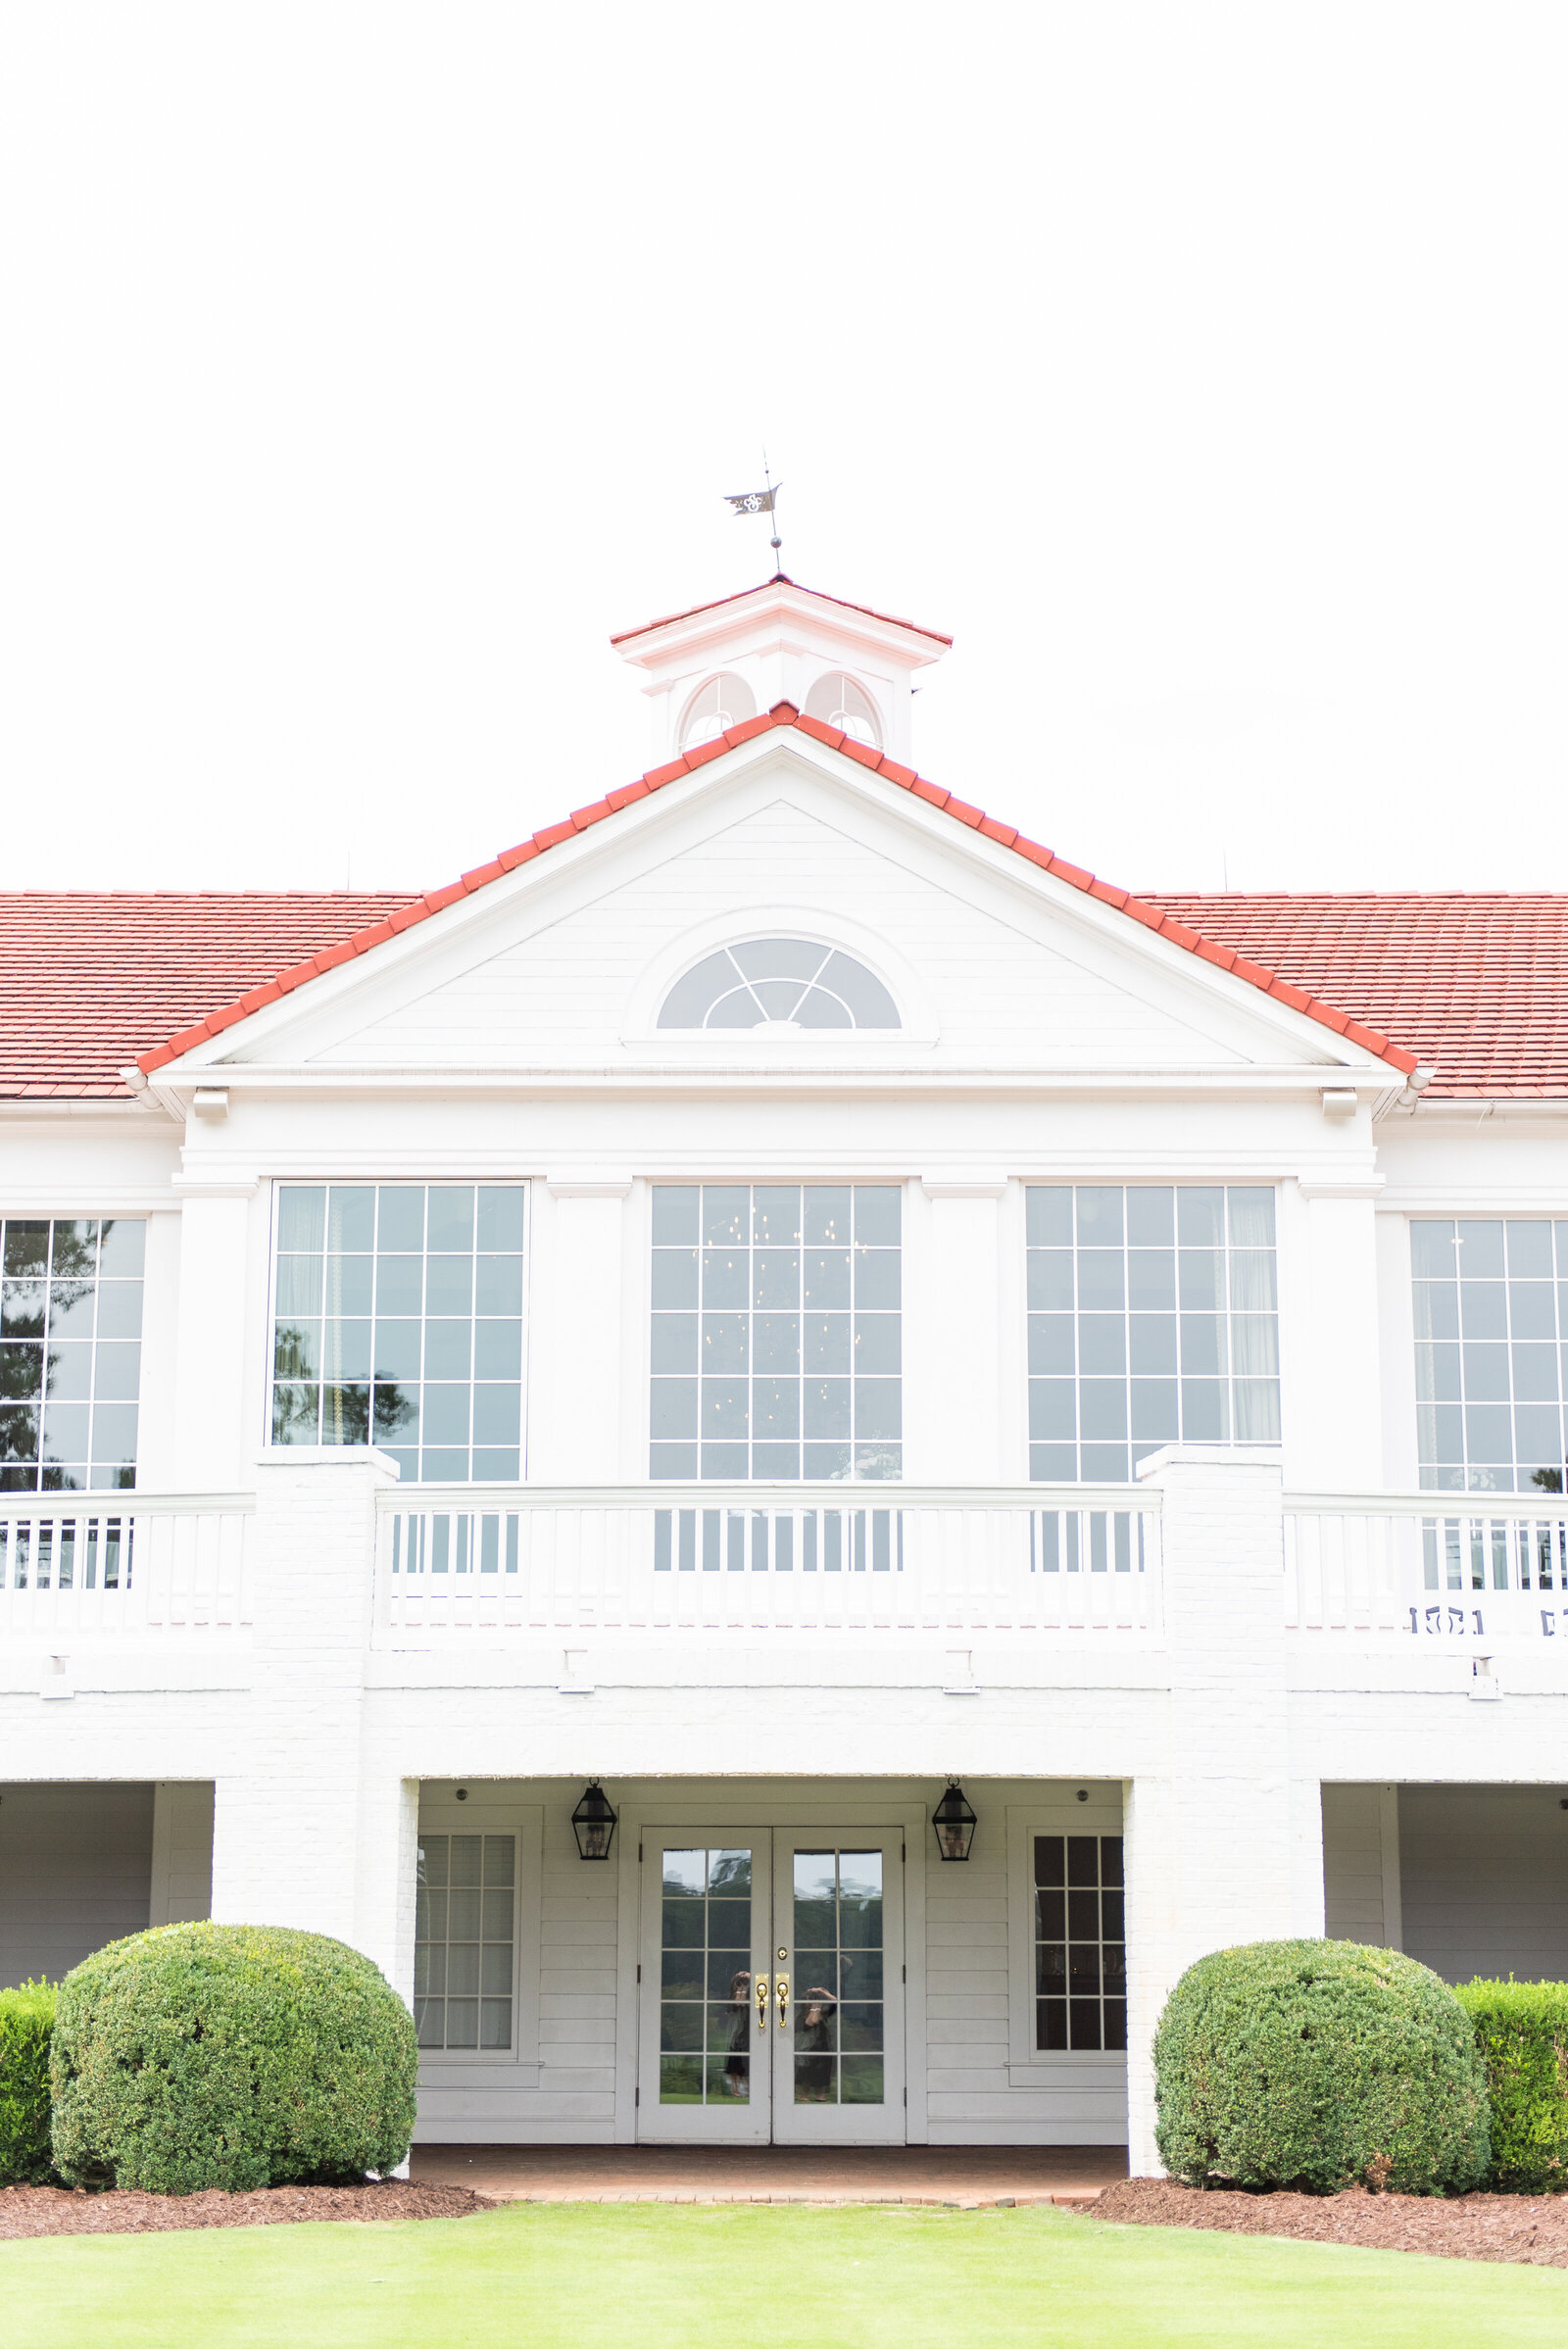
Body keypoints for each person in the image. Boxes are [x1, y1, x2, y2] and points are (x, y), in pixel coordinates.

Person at [722, 1970, 751, 2096]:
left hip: (748, 2029)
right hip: (736, 2033)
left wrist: (746, 1988)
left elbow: (744, 2003)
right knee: (734, 2059)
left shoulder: (753, 1997)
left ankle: (748, 2088)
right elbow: (737, 2003)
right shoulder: (731, 1998)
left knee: (746, 2060)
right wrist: (739, 1990)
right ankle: (735, 2089)